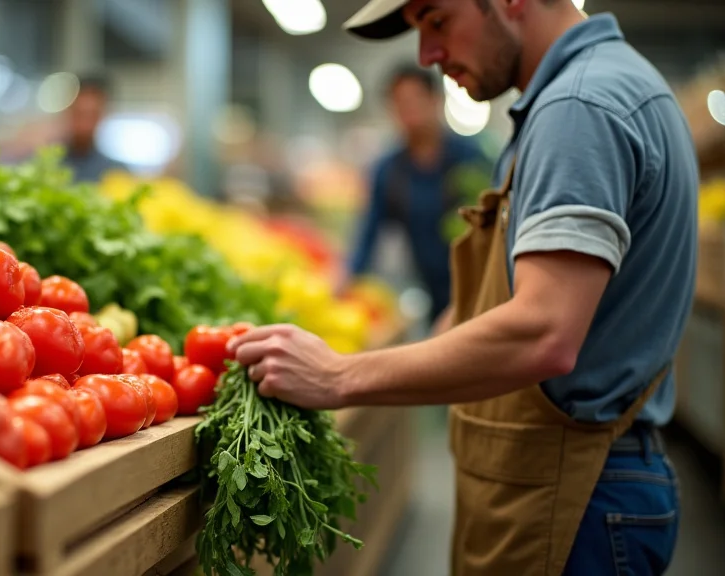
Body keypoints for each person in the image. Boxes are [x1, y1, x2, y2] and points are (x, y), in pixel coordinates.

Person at [228, 1, 698, 575]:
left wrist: (339, 376)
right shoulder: (590, 91)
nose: (427, 54)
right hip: (576, 480)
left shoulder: (579, 107)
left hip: (578, 494)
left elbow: (544, 331)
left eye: (438, 20)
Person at [345, 64, 490, 325]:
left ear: (436, 100)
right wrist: (349, 278)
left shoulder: (470, 158)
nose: (408, 110)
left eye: (415, 100)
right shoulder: (390, 170)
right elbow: (369, 232)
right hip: (430, 288)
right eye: (399, 103)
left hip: (479, 287)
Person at [63, 74, 126, 183]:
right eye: (79, 114)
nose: (85, 125)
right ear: (69, 111)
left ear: (102, 115)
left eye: (91, 116)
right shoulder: (43, 167)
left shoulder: (115, 173)